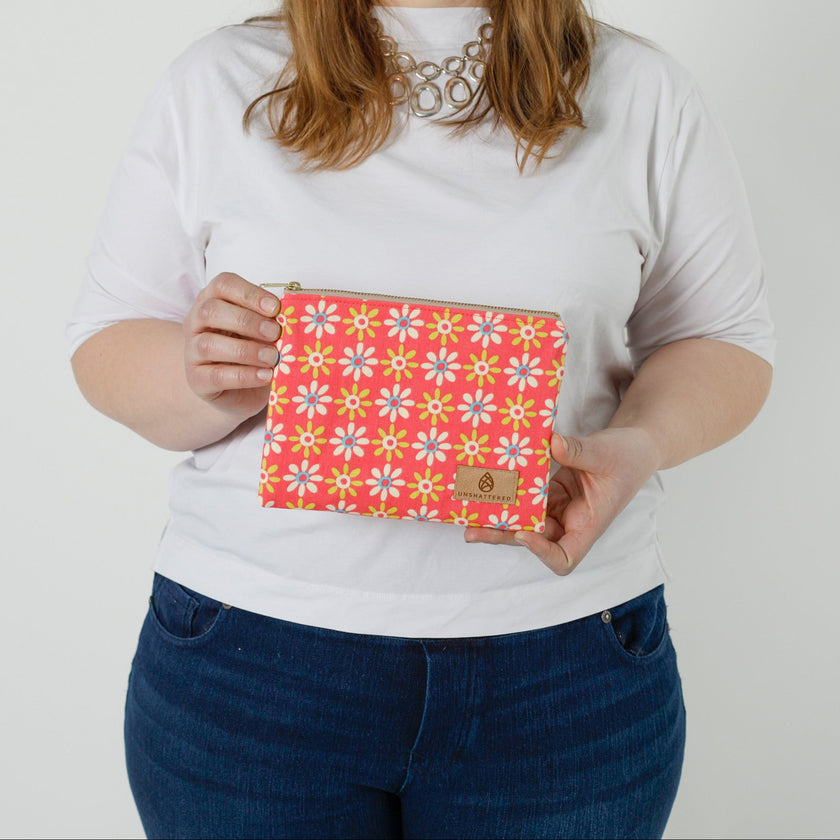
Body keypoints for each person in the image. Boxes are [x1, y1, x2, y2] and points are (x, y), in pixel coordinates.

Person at [67, 0, 774, 837]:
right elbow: (103, 345)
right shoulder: (218, 80)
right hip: (250, 668)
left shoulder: (644, 91)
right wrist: (207, 376)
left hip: (565, 665)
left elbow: (724, 339)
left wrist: (640, 442)